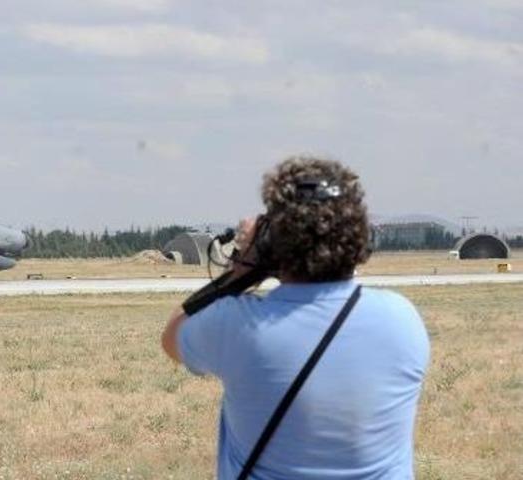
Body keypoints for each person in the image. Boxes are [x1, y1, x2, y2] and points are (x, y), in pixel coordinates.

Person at [161, 156, 430, 479]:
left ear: (271, 241)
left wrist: (243, 270)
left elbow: (173, 335)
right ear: (360, 233)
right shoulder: (402, 321)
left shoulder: (237, 325)